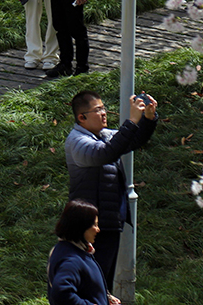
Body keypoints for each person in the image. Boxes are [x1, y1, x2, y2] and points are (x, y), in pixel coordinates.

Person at [65, 90, 157, 291]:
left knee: (103, 282)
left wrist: (148, 118)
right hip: (87, 225)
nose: (104, 113)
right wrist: (131, 121)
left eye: (104, 108)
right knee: (90, 283)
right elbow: (106, 153)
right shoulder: (77, 142)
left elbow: (131, 140)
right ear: (82, 117)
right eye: (98, 110)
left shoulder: (104, 135)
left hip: (108, 221)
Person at [47, 199, 112, 305]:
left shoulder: (67, 249)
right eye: (94, 225)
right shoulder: (72, 260)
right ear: (81, 227)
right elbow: (61, 293)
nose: (98, 229)